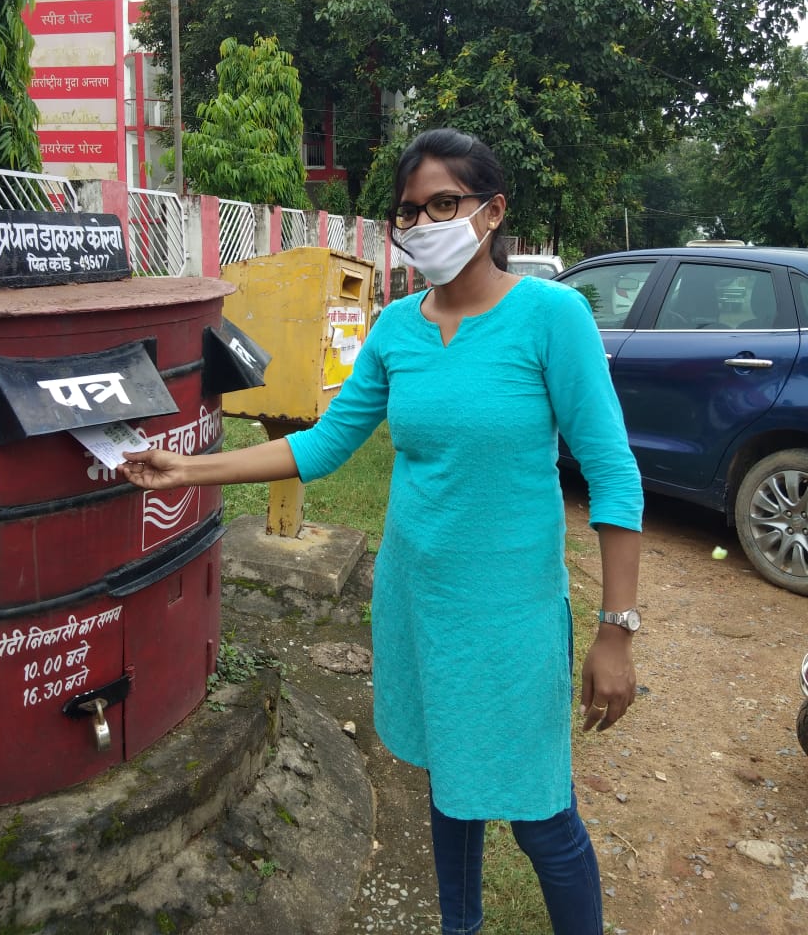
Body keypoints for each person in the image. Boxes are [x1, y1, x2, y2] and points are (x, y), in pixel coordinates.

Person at [120, 128, 643, 935]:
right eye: (410, 210)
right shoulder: (396, 328)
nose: (426, 222)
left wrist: (616, 628)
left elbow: (612, 473)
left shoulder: (551, 317)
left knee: (541, 812)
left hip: (510, 613)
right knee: (446, 784)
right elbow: (325, 445)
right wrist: (187, 469)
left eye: (445, 204)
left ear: (492, 211)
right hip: (416, 599)